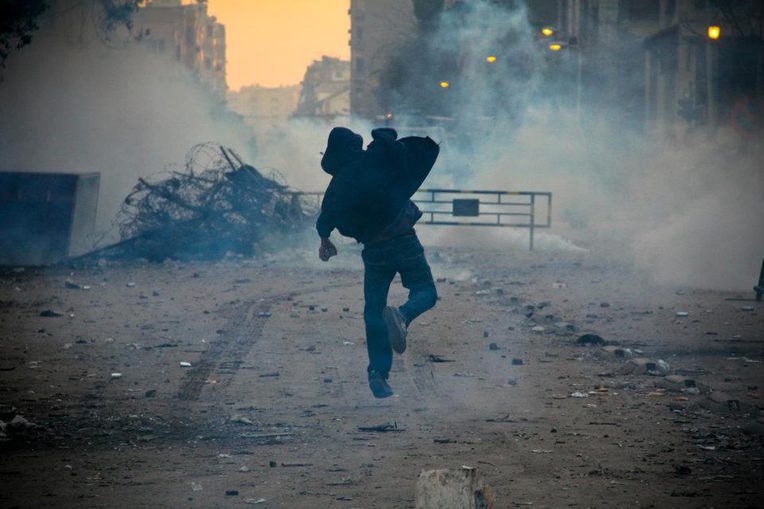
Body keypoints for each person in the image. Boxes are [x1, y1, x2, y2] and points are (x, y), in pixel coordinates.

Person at [316, 126, 440, 398]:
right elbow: (392, 143)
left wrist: (325, 242)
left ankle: (378, 374)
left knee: (373, 311)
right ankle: (403, 315)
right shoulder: (372, 158)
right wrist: (381, 134)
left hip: (374, 250)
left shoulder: (337, 185)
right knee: (426, 292)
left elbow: (324, 220)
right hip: (403, 239)